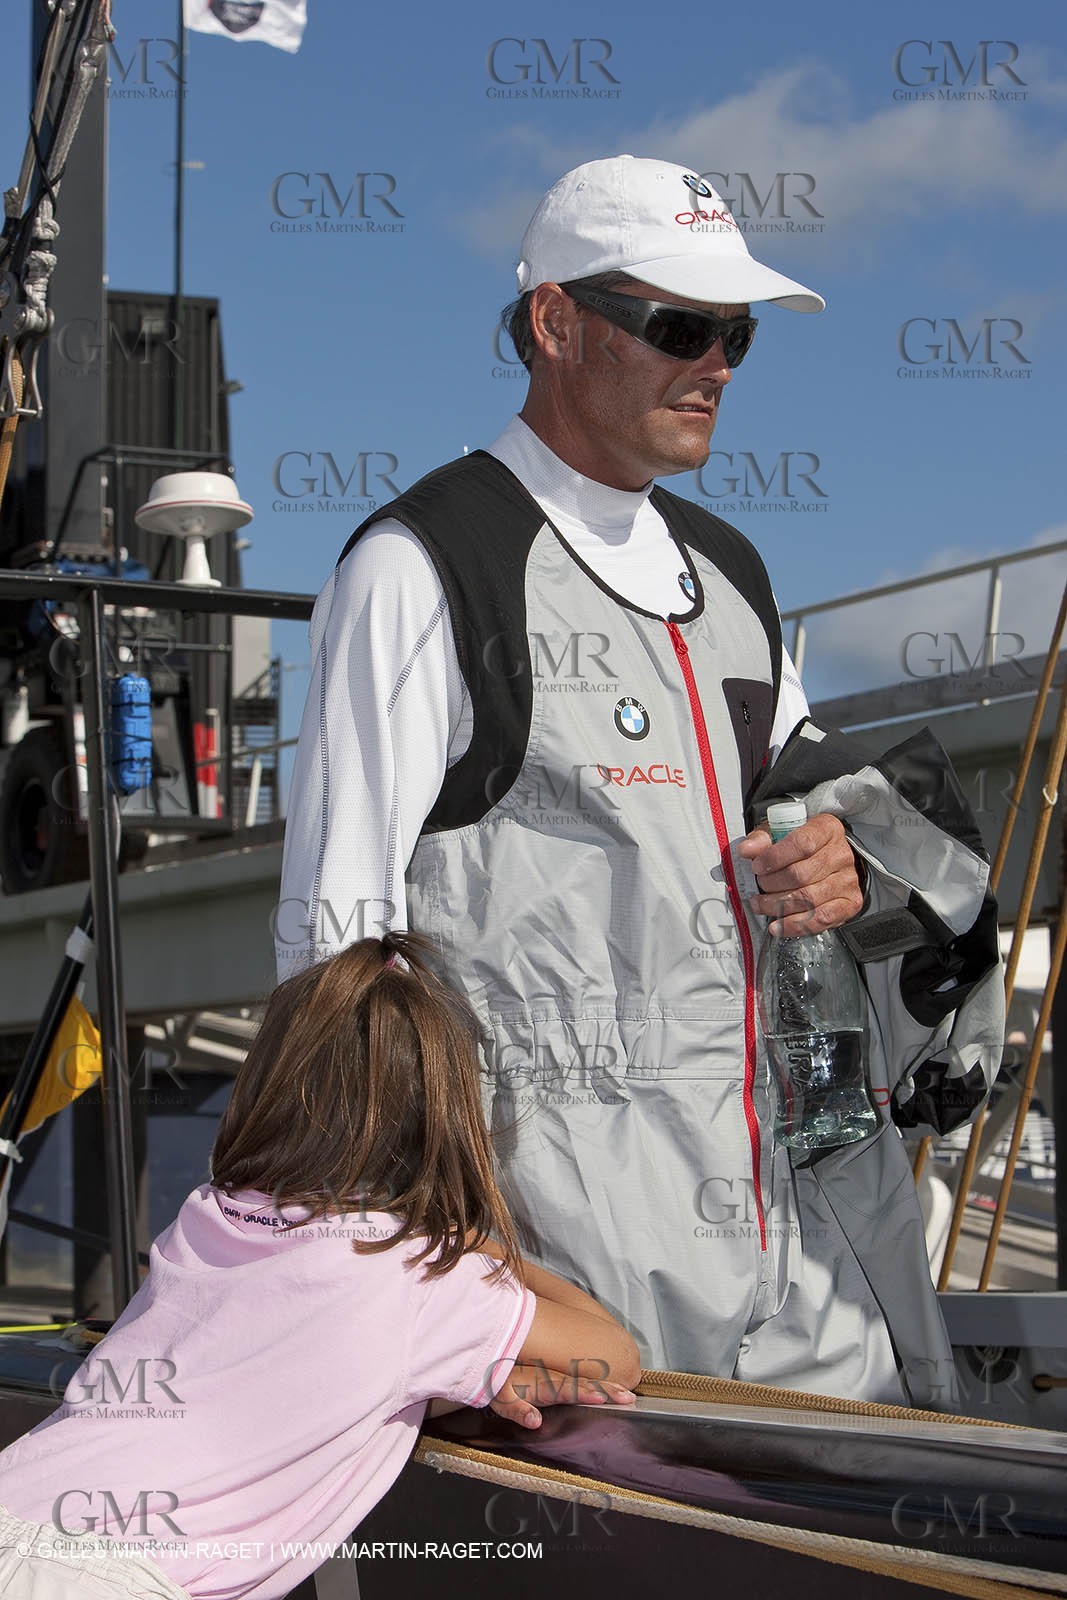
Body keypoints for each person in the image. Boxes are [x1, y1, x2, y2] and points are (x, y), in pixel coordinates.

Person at [276, 156, 1000, 1410]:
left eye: (736, 334)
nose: (715, 364)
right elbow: (332, 953)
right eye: (678, 327)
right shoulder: (423, 564)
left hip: (815, 1259)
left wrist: (843, 863)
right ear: (556, 323)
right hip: (578, 1296)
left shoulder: (732, 577)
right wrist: (429, 1298)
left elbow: (823, 808)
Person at [0, 932, 640, 1600]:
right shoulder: (413, 1268)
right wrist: (475, 1244)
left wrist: (456, 1374)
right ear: (445, 1117)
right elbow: (614, 1357)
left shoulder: (208, 1215)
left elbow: (279, 1377)